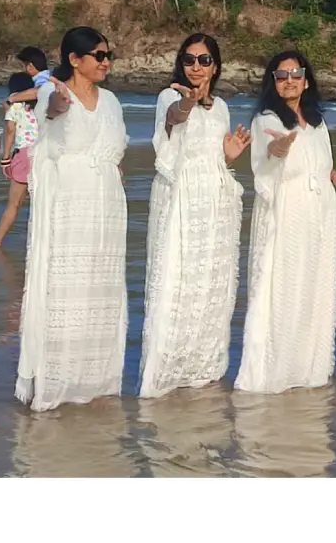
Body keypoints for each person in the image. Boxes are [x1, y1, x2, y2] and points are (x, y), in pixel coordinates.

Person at [15, 26, 129, 412]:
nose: (106, 62)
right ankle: (56, 381)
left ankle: (96, 382)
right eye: (99, 55)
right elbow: (49, 119)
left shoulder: (111, 100)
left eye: (108, 55)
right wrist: (58, 107)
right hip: (69, 205)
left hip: (107, 207)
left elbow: (117, 150)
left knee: (101, 290)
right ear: (75, 59)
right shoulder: (53, 91)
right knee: (66, 289)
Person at [235, 50, 336, 394]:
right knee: (283, 288)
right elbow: (266, 159)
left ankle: (309, 372)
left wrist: (335, 178)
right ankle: (273, 374)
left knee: (316, 288)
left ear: (306, 81)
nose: (289, 81)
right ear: (273, 82)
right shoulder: (266, 120)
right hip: (287, 212)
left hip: (320, 214)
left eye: (295, 74)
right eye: (282, 75)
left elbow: (319, 166)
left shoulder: (317, 123)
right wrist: (278, 150)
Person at [139, 33, 252, 399]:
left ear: (215, 66)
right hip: (180, 197)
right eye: (189, 60)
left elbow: (218, 154)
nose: (196, 67)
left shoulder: (221, 107)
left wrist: (230, 154)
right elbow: (172, 122)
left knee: (209, 284)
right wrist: (187, 103)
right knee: (175, 279)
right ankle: (165, 373)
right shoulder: (169, 97)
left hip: (214, 204)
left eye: (204, 60)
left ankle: (202, 370)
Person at [0, 72, 38, 247]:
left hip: (24, 154)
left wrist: (5, 159)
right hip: (42, 155)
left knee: (14, 204)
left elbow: (10, 132)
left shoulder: (14, 108)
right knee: (41, 203)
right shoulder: (41, 105)